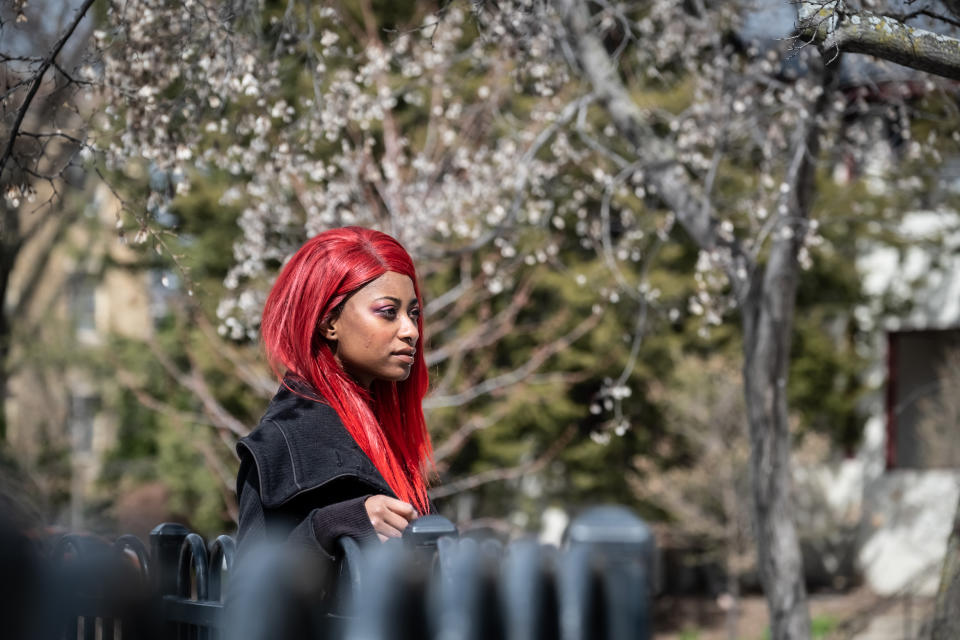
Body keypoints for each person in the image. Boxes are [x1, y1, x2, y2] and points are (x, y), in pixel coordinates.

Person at [235, 226, 434, 561]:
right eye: (389, 311)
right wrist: (330, 525)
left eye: (413, 313)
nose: (410, 330)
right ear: (329, 322)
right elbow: (250, 596)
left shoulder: (383, 433)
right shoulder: (283, 442)